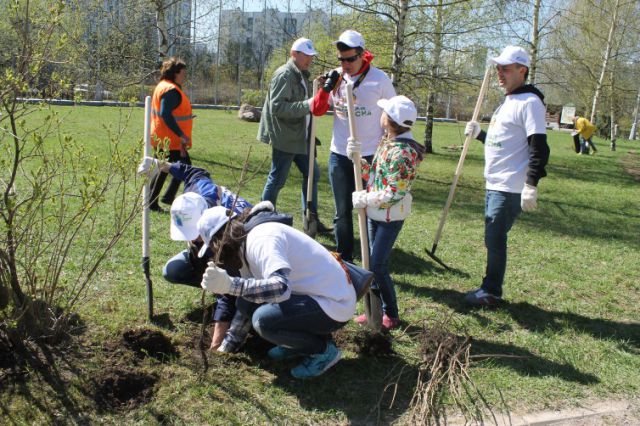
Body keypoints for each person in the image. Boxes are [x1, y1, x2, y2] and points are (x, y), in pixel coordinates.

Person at [198, 206, 357, 379]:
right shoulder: (244, 246)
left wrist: (231, 286)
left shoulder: (261, 240)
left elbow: (280, 287)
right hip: (313, 295)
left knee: (264, 321)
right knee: (246, 300)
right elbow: (247, 296)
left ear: (220, 241)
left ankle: (324, 351)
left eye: (214, 249)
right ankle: (296, 344)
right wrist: (227, 344)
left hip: (334, 303)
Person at [463, 45, 550, 307]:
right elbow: (504, 143)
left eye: (506, 69)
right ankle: (490, 287)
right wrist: (480, 135)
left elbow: (539, 146)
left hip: (510, 186)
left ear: (522, 70)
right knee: (492, 237)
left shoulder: (531, 102)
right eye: (498, 68)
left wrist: (531, 184)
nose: (500, 73)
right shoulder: (509, 100)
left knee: (495, 238)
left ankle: (491, 291)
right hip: (495, 182)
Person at [137, 157, 252, 349]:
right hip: (218, 246)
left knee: (232, 292)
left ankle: (244, 301)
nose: (192, 240)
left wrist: (216, 342)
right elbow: (194, 172)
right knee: (173, 270)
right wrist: (161, 164)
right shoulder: (197, 192)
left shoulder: (226, 234)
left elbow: (226, 280)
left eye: (196, 235)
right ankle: (218, 286)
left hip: (244, 257)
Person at [311, 30, 396, 262]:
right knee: (342, 211)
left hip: (371, 155)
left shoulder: (380, 79)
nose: (345, 64)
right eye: (341, 59)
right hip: (339, 154)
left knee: (371, 210)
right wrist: (326, 89)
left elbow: (393, 115)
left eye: (350, 59)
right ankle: (344, 259)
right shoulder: (336, 77)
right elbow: (317, 110)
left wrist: (390, 146)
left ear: (362, 55)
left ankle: (372, 258)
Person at [349, 95, 425, 330]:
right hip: (375, 213)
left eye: (384, 112)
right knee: (371, 263)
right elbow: (375, 175)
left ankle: (390, 313)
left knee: (378, 265)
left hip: (390, 217)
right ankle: (374, 310)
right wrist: (357, 158)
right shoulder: (388, 142)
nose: (380, 115)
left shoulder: (404, 153)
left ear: (388, 120)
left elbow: (394, 192)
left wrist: (366, 198)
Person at [258, 37, 332, 235]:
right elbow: (277, 107)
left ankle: (312, 219)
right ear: (294, 54)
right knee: (277, 178)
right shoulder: (284, 75)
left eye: (311, 55)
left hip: (301, 136)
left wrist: (317, 86)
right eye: (306, 55)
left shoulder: (300, 74)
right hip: (286, 136)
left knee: (312, 174)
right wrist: (308, 104)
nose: (309, 59)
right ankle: (262, 218)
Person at [148, 57, 194, 212]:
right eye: (182, 73)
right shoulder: (171, 91)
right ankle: (165, 199)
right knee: (185, 167)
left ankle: (154, 201)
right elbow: (165, 113)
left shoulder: (163, 86)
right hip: (170, 139)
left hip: (162, 136)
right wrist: (181, 134)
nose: (184, 76)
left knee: (163, 169)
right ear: (175, 73)